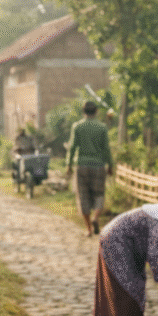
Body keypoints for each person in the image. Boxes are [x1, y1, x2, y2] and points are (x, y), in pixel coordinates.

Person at [66, 100, 114, 237]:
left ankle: (88, 229)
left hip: (82, 166)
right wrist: (110, 165)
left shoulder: (77, 127)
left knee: (83, 196)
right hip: (99, 166)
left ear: (83, 112)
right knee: (99, 194)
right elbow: (106, 149)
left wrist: (68, 164)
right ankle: (96, 217)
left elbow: (72, 147)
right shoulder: (102, 127)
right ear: (96, 111)